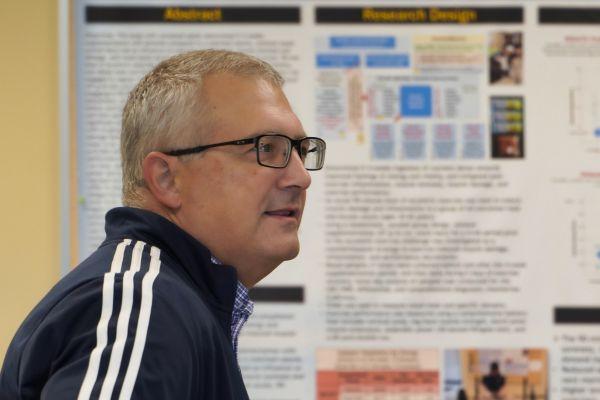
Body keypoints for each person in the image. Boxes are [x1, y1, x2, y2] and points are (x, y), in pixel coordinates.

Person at [0, 50, 326, 399]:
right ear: (167, 179)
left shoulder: (173, 301)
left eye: (299, 151)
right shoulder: (143, 301)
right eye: (267, 148)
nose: (301, 177)